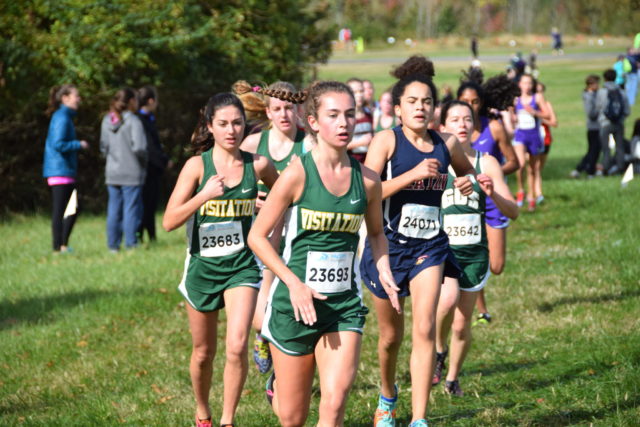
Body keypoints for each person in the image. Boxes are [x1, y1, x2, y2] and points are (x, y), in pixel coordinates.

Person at [247, 81, 396, 427]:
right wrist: (293, 284)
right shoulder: (297, 173)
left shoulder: (368, 181)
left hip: (343, 306)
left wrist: (384, 267)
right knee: (292, 418)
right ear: (313, 122)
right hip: (295, 305)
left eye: (349, 115)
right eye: (333, 115)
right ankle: (279, 387)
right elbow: (257, 237)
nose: (344, 123)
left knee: (334, 404)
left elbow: (376, 234)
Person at [359, 56, 476, 427]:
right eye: (412, 101)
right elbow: (366, 192)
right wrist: (410, 176)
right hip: (388, 248)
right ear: (398, 108)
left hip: (430, 246)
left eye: (427, 101)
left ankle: (420, 418)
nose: (421, 108)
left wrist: (467, 181)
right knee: (391, 338)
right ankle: (388, 394)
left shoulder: (447, 143)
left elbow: (468, 171)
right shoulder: (385, 141)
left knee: (424, 327)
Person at [162, 92, 278, 427]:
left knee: (237, 345)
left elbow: (287, 195)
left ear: (245, 124)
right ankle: (203, 413)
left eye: (237, 122)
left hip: (241, 266)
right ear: (210, 126)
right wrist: (204, 195)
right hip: (202, 268)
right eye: (223, 124)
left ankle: (228, 420)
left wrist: (266, 208)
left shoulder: (258, 165)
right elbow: (169, 221)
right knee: (203, 353)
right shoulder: (197, 167)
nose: (231, 130)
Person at [434, 100, 518, 396]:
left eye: (467, 119)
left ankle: (451, 377)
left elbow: (513, 211)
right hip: (442, 253)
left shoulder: (487, 163)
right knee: (446, 302)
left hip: (473, 254)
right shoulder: (436, 162)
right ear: (443, 127)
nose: (462, 124)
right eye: (454, 119)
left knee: (461, 324)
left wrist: (493, 193)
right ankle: (437, 350)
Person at [237, 80, 307, 375]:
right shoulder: (253, 144)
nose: (284, 115)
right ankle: (263, 336)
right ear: (267, 112)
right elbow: (232, 183)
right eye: (277, 109)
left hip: (298, 232)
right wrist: (250, 199)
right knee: (259, 314)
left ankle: (283, 369)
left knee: (292, 303)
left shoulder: (310, 143)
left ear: (298, 110)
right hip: (261, 233)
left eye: (289, 108)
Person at [457, 73, 520, 324]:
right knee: (471, 253)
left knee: (496, 265)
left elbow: (514, 162)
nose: (469, 107)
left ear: (481, 103)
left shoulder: (494, 127)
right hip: (465, 202)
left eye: (474, 102)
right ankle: (481, 310)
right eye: (464, 101)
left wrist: (492, 176)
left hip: (493, 201)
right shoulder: (454, 132)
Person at [42, 84, 90, 253]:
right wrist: (79, 144)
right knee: (63, 209)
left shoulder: (64, 116)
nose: (79, 99)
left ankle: (62, 244)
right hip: (59, 171)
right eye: (76, 96)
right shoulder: (62, 117)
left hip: (63, 170)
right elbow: (58, 143)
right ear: (65, 98)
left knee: (71, 207)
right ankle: (58, 247)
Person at [100, 88, 148, 251]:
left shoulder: (107, 120)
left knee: (113, 209)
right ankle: (130, 244)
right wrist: (144, 162)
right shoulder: (134, 121)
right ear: (131, 102)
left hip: (112, 171)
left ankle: (112, 246)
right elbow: (139, 148)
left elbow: (103, 147)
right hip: (131, 171)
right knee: (131, 209)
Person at [512, 74, 550, 212]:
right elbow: (510, 115)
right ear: (519, 84)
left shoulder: (537, 98)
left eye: (530, 83)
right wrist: (513, 117)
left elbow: (547, 115)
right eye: (524, 83)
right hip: (520, 135)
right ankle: (520, 189)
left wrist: (534, 112)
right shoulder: (516, 99)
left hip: (534, 136)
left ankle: (531, 197)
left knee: (532, 169)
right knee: (521, 164)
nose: (527, 86)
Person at [136, 86, 170, 243]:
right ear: (151, 101)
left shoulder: (147, 118)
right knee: (146, 203)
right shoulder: (141, 120)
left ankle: (150, 235)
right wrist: (163, 162)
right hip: (148, 168)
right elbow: (149, 147)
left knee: (150, 203)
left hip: (151, 167)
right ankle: (141, 234)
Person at [596, 69, 631, 175]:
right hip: (619, 123)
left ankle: (606, 167)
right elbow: (627, 110)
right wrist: (620, 118)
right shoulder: (621, 91)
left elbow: (598, 107)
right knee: (619, 147)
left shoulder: (602, 92)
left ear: (605, 78)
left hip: (605, 123)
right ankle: (619, 167)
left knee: (605, 148)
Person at [572, 75, 602, 178]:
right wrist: (600, 107)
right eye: (597, 83)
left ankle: (581, 169)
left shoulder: (595, 94)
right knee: (594, 150)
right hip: (593, 127)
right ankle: (589, 171)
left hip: (598, 126)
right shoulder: (588, 97)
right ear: (591, 85)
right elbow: (591, 114)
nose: (598, 86)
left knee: (594, 150)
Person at [534, 81, 558, 204]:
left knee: (539, 168)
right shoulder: (528, 104)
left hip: (546, 139)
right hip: (532, 139)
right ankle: (537, 194)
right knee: (535, 168)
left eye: (541, 91)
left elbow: (554, 122)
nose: (539, 93)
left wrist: (540, 117)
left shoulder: (547, 105)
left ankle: (534, 191)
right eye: (537, 91)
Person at [346, 78, 374, 163]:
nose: (359, 95)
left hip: (368, 163)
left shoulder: (369, 113)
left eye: (361, 91)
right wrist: (360, 142)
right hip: (351, 164)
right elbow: (337, 145)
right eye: (354, 92)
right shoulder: (345, 116)